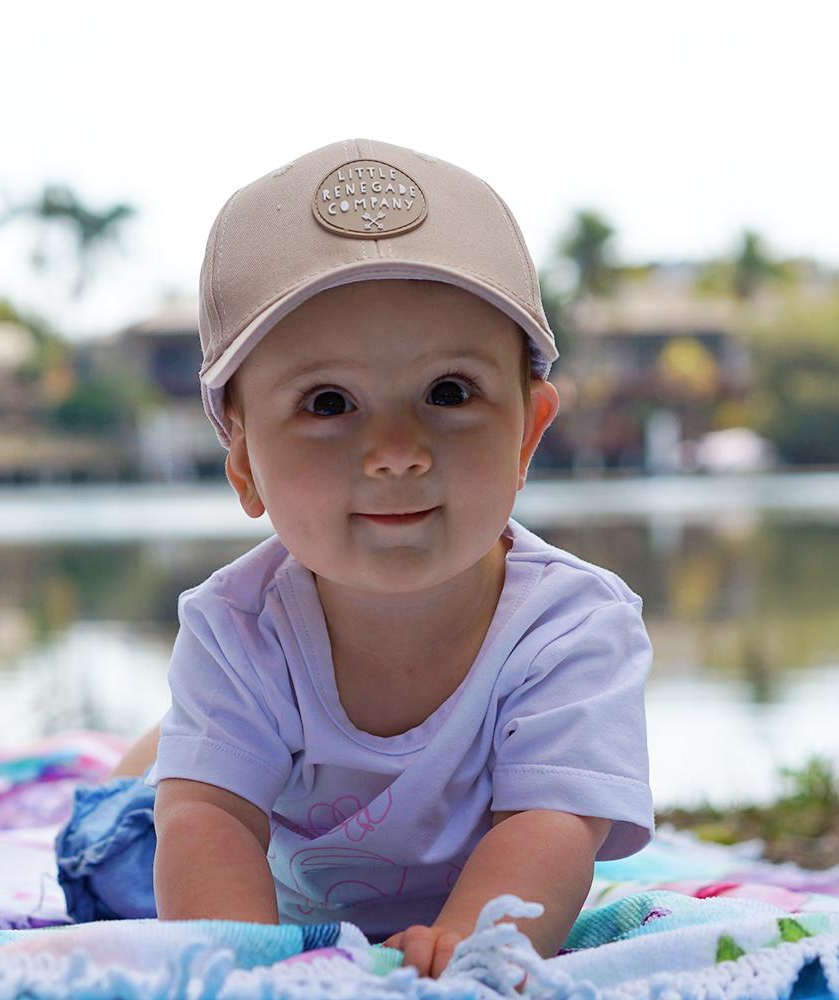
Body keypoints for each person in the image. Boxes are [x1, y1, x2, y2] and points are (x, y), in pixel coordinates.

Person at [55, 138, 654, 980]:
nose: (396, 450)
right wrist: (249, 967)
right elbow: (211, 824)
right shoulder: (235, 629)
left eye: (449, 392)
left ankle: (182, 745)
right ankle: (162, 755)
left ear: (527, 431)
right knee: (119, 853)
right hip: (246, 862)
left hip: (441, 875)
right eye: (328, 403)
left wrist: (470, 948)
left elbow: (548, 825)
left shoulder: (572, 629)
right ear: (242, 463)